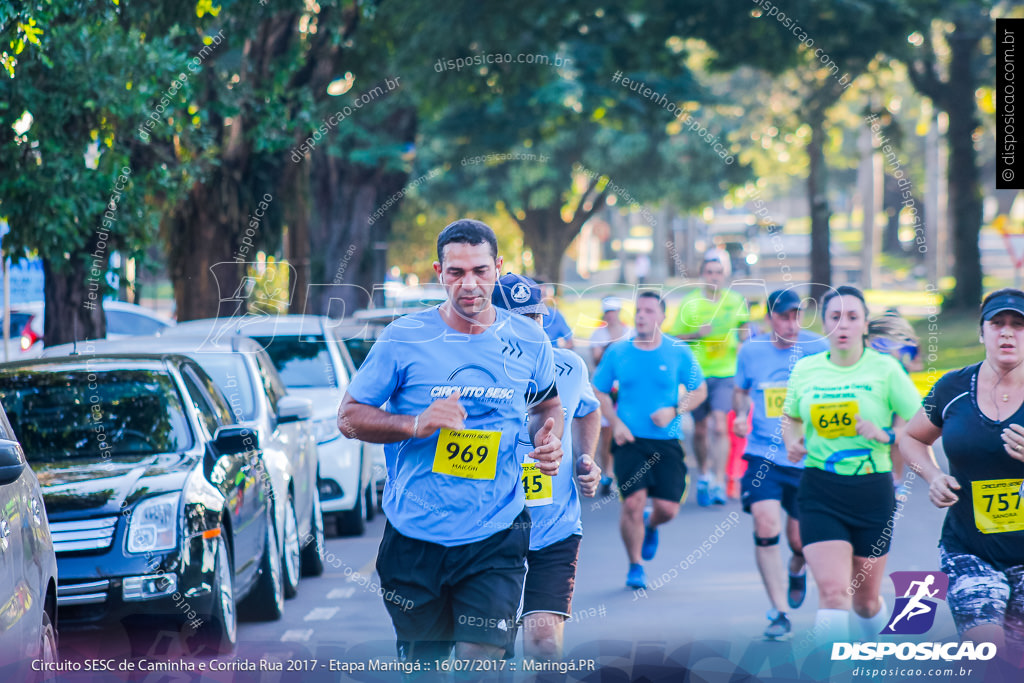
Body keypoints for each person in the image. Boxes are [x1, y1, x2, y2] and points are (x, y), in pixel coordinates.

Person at [337, 219, 564, 671]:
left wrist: (549, 436)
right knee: (428, 667)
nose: (470, 284)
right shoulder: (405, 337)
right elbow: (349, 417)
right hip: (414, 538)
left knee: (478, 661)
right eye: (456, 272)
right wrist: (415, 423)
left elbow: (547, 403)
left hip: (495, 534)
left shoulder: (529, 340)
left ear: (498, 267)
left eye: (480, 270)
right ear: (439, 271)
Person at [781, 285, 921, 644]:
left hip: (872, 492)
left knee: (865, 602)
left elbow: (920, 422)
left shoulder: (886, 370)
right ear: (825, 324)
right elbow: (792, 416)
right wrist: (793, 443)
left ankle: (883, 652)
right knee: (832, 592)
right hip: (819, 489)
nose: (843, 324)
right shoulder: (806, 370)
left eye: (852, 317)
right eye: (835, 317)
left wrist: (887, 434)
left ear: (865, 325)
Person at [900, 288, 1024, 666]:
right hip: (969, 550)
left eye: (1018, 325)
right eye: (997, 323)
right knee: (985, 656)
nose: (1007, 333)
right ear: (981, 332)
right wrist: (933, 476)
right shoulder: (953, 388)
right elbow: (910, 436)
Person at [492, 273, 602, 661]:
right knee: (488, 651)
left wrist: (585, 459)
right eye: (516, 319)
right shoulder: (471, 377)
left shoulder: (569, 367)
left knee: (542, 641)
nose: (530, 328)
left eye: (535, 317)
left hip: (554, 527)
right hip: (487, 532)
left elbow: (589, 411)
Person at [593, 291, 707, 589]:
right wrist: (615, 423)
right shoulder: (618, 352)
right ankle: (635, 566)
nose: (641, 315)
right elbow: (599, 391)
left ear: (661, 317)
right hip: (629, 438)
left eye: (648, 310)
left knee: (668, 508)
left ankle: (651, 524)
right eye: (638, 310)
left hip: (667, 440)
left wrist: (674, 409)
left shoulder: (678, 351)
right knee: (632, 502)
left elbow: (700, 390)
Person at [733, 289, 828, 638]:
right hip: (763, 454)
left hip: (805, 456)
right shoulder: (751, 350)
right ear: (770, 317)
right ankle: (779, 612)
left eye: (797, 316)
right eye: (784, 317)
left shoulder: (818, 347)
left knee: (800, 541)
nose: (791, 324)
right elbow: (741, 391)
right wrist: (741, 415)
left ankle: (797, 567)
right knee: (766, 523)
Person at [668, 256, 750, 506]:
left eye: (718, 272)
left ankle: (718, 480)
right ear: (703, 275)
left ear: (724, 276)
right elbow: (674, 337)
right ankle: (703, 473)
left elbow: (744, 330)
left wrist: (745, 341)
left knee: (719, 425)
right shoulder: (690, 303)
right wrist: (696, 333)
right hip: (697, 374)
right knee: (701, 429)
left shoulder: (735, 301)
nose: (714, 276)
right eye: (709, 272)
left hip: (726, 373)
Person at [867, 311, 923, 499]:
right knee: (884, 435)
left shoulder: (910, 343)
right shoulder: (875, 343)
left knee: (898, 438)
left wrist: (904, 366)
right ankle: (881, 474)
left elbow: (918, 364)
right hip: (882, 392)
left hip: (901, 392)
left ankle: (896, 480)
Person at [589, 296, 633, 497]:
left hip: (626, 389)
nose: (611, 315)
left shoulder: (630, 333)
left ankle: (620, 472)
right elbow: (596, 359)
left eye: (614, 311)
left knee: (626, 431)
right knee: (606, 433)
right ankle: (607, 473)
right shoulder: (598, 334)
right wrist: (611, 346)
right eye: (608, 312)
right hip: (606, 389)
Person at [539, 281, 575, 349]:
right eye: (538, 295)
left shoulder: (555, 315)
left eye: (544, 295)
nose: (542, 299)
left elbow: (570, 342)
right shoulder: (522, 316)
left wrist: (556, 354)